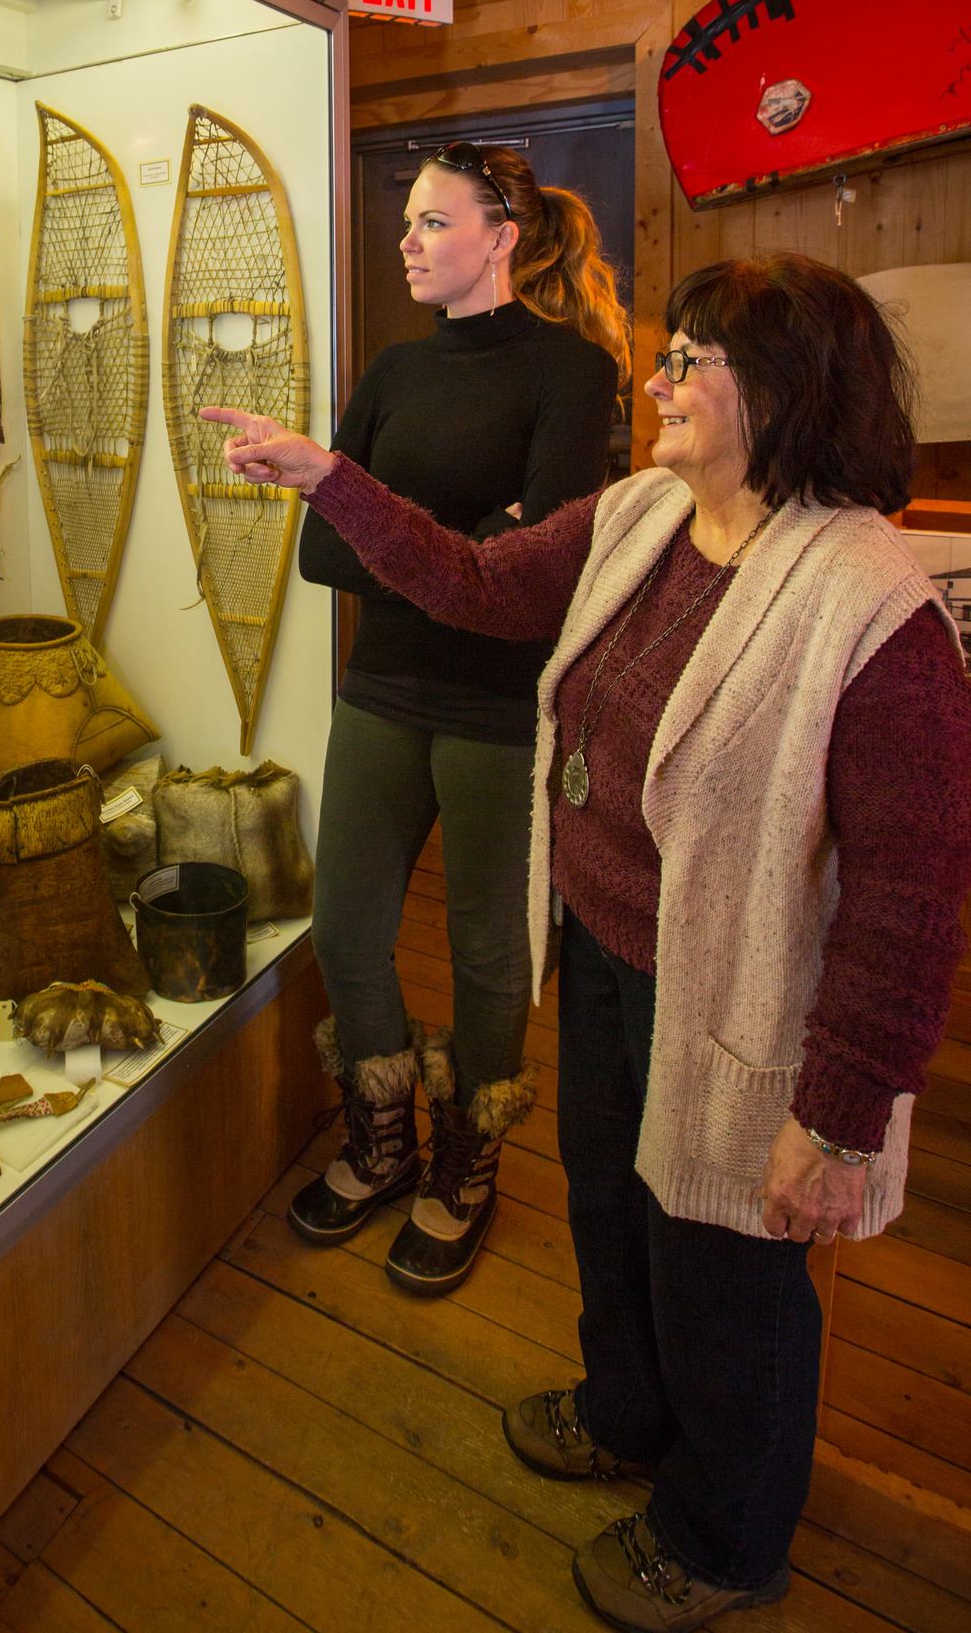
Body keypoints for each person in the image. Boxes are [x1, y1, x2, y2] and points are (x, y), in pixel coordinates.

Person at [204, 252, 971, 1633]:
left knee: (725, 1267)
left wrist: (840, 1115)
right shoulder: (645, 517)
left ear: (785, 393)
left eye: (692, 362)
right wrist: (332, 480)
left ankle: (723, 1536)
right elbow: (481, 580)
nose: (660, 384)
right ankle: (626, 1414)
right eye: (667, 355)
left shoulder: (873, 610)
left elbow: (912, 900)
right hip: (615, 954)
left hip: (741, 1004)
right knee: (614, 1207)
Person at [289, 139, 626, 1302]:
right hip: (382, 690)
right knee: (344, 930)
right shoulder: (390, 370)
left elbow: (535, 577)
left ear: (502, 237)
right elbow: (321, 544)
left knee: (490, 953)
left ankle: (466, 1160)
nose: (408, 243)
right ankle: (381, 1136)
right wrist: (464, 538)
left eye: (432, 223)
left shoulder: (571, 376)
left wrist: (421, 531)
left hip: (500, 702)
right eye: (408, 225)